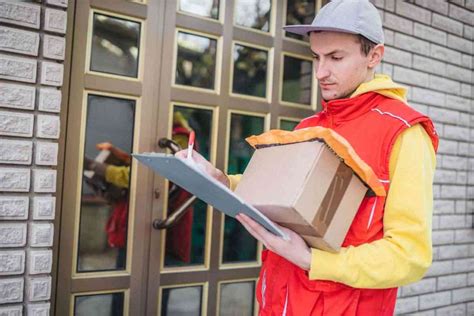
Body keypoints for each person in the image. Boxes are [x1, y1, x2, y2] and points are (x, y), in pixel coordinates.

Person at [176, 0, 438, 314]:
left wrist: (313, 260)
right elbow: (278, 192)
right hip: (277, 303)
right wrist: (222, 182)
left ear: (374, 56)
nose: (320, 72)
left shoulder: (404, 133)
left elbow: (409, 255)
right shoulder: (308, 127)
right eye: (316, 57)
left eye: (335, 57)